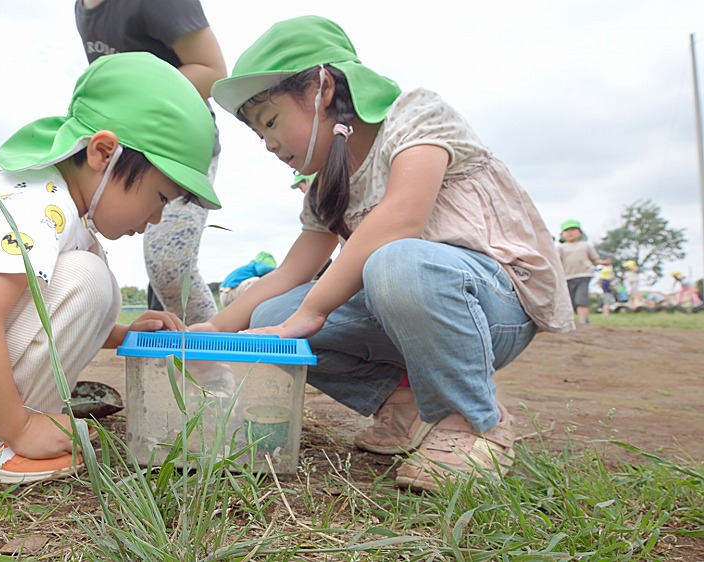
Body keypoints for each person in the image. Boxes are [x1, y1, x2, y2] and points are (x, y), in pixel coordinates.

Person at [197, 16, 574, 493]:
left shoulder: (413, 114)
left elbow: (402, 219)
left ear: (322, 88)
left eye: (271, 122)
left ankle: (475, 421)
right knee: (273, 316)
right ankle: (407, 407)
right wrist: (214, 330)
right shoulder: (324, 183)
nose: (269, 144)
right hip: (404, 306)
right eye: (259, 134)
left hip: (493, 304)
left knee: (396, 261)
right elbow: (294, 270)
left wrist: (312, 312)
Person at [0, 53, 220, 484]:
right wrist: (21, 427)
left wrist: (125, 334)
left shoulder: (58, 206)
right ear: (103, 153)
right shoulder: (33, 205)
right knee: (87, 279)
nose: (157, 218)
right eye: (161, 196)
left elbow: (34, 309)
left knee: (91, 279)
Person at [74, 0, 226, 325]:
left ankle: (213, 374)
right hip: (121, 147)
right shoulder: (83, 8)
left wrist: (127, 103)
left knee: (169, 264)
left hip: (174, 147)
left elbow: (212, 70)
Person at [558, 219, 609, 325]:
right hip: (566, 277)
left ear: (580, 233)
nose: (570, 233)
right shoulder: (560, 248)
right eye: (567, 231)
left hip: (583, 275)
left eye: (573, 230)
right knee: (568, 301)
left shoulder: (585, 246)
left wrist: (603, 262)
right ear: (562, 234)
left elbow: (594, 259)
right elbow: (556, 262)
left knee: (581, 299)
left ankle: (583, 321)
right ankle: (569, 322)